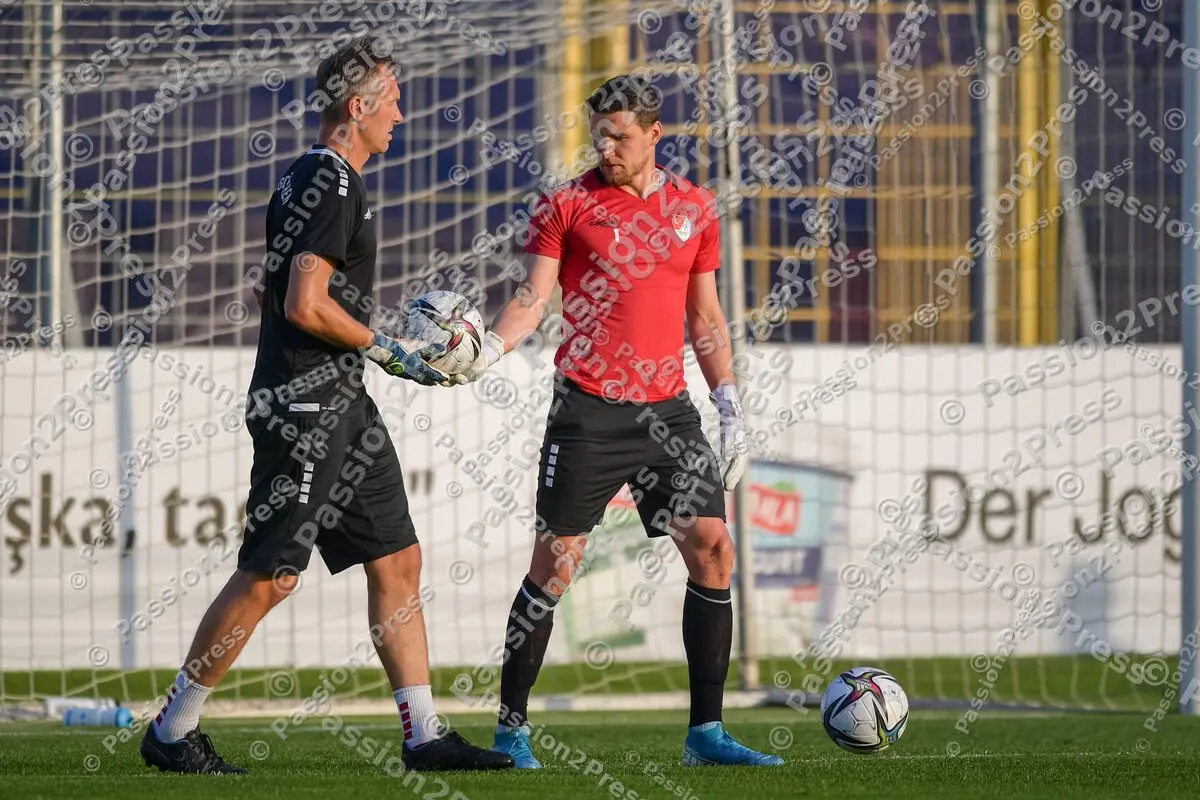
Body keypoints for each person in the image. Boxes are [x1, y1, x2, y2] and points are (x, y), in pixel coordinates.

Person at [140, 40, 513, 775]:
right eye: (393, 99)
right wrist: (389, 348)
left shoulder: (310, 178)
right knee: (273, 574)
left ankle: (424, 735)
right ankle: (173, 730)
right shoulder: (330, 179)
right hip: (307, 407)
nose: (401, 114)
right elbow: (303, 303)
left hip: (340, 402)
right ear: (358, 105)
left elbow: (270, 290)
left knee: (398, 559)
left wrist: (351, 352)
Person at [446, 74, 783, 768]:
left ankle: (706, 736)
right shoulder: (567, 204)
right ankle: (511, 730)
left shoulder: (695, 208)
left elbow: (705, 317)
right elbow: (532, 298)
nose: (606, 146)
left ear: (654, 134)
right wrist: (490, 350)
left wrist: (729, 405)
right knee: (556, 565)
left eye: (620, 136)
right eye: (598, 134)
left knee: (714, 549)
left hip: (669, 413)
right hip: (588, 410)